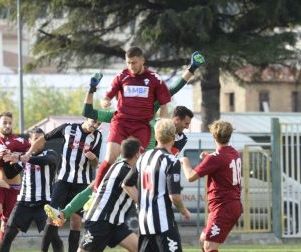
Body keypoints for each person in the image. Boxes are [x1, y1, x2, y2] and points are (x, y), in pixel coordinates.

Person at [45, 105, 195, 226]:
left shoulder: (179, 137)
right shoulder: (153, 123)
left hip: (144, 170)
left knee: (127, 201)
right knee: (95, 186)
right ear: (176, 119)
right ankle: (67, 212)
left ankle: (90, 210)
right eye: (186, 123)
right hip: (127, 163)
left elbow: (164, 154)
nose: (187, 127)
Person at [93, 46, 172, 190]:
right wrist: (104, 101)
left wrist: (163, 124)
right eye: (128, 62)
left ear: (142, 60)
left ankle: (139, 193)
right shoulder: (122, 76)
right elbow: (106, 96)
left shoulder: (154, 79)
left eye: (134, 62)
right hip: (121, 123)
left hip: (141, 126)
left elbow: (164, 105)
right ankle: (97, 190)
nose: (131, 66)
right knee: (110, 157)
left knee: (139, 161)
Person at [25, 118, 102, 252]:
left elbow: (96, 164)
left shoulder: (97, 136)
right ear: (86, 117)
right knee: (53, 217)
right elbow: (44, 138)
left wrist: (94, 158)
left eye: (98, 124)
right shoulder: (67, 128)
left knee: (76, 222)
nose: (95, 126)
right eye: (94, 121)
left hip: (82, 183)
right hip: (63, 181)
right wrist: (28, 153)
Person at [123, 119, 191, 252]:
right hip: (163, 223)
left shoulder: (143, 157)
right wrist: (184, 210)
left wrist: (142, 202)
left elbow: (126, 184)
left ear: (156, 135)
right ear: (173, 136)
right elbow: (174, 196)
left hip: (144, 223)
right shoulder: (171, 160)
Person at [180, 120, 243, 252]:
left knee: (209, 246)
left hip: (223, 207)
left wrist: (185, 162)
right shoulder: (234, 153)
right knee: (204, 241)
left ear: (214, 136)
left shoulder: (215, 158)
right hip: (231, 205)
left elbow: (190, 176)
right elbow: (223, 163)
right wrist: (209, 157)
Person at [0, 127, 61, 252]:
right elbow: (11, 174)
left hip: (46, 202)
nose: (39, 142)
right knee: (8, 234)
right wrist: (4, 157)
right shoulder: (25, 156)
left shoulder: (50, 153)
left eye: (41, 139)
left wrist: (22, 157)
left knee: (54, 237)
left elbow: (46, 161)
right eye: (36, 139)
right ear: (30, 141)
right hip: (23, 202)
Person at [76, 138, 141, 252]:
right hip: (100, 220)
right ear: (137, 154)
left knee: (141, 249)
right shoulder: (126, 171)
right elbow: (129, 187)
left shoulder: (118, 165)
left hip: (115, 222)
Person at [0, 111, 31, 249]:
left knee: (6, 223)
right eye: (4, 122)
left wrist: (17, 155)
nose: (7, 125)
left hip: (14, 187)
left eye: (10, 123)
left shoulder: (20, 141)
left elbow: (31, 153)